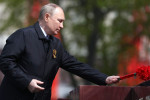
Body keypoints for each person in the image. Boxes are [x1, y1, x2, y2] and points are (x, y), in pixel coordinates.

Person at [0, 3, 120, 100]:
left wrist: (104, 78)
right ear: (47, 17)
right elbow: (5, 62)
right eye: (60, 20)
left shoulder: (56, 44)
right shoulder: (23, 35)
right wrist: (27, 82)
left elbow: (76, 65)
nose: (62, 26)